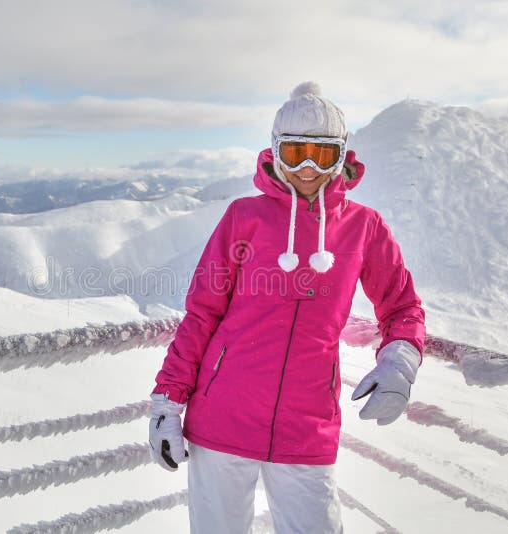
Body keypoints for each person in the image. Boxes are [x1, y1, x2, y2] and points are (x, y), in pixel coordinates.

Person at [148, 81, 426, 533]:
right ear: (276, 153)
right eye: (297, 154)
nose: (310, 168)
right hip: (222, 419)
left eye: (324, 154)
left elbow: (403, 307)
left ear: (342, 156)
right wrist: (166, 402)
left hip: (307, 427)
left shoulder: (363, 228)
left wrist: (399, 361)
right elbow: (202, 314)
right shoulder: (243, 217)